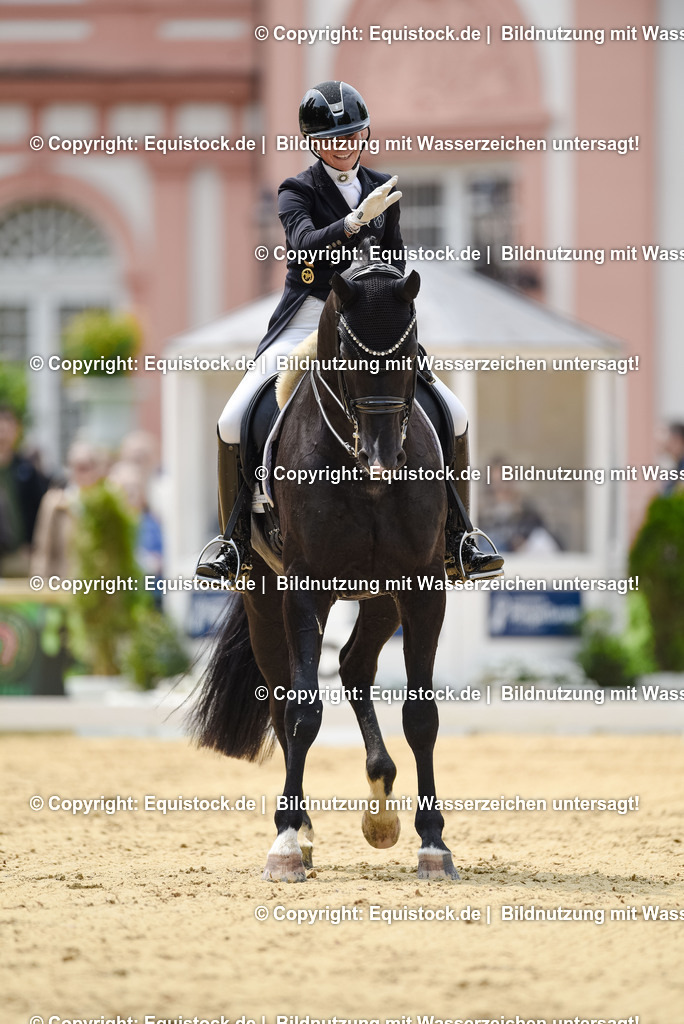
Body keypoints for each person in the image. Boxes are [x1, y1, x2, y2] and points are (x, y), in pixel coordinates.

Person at [196, 80, 503, 583]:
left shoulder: (385, 187)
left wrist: (392, 313)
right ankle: (234, 544)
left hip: (369, 326)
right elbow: (303, 247)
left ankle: (459, 539)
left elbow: (397, 263)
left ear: (364, 134)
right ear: (314, 143)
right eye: (333, 137)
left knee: (456, 412)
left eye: (353, 134)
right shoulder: (297, 191)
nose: (344, 145)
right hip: (306, 321)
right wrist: (357, 221)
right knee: (233, 419)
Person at [30, 440, 106, 580]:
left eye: (87, 467)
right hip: (63, 581)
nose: (82, 472)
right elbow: (43, 551)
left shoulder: (105, 504)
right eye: (77, 467)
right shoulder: (55, 503)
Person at [0, 404, 49, 577]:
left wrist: (32, 544)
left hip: (19, 555)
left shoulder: (26, 470)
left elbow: (40, 509)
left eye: (7, 428)